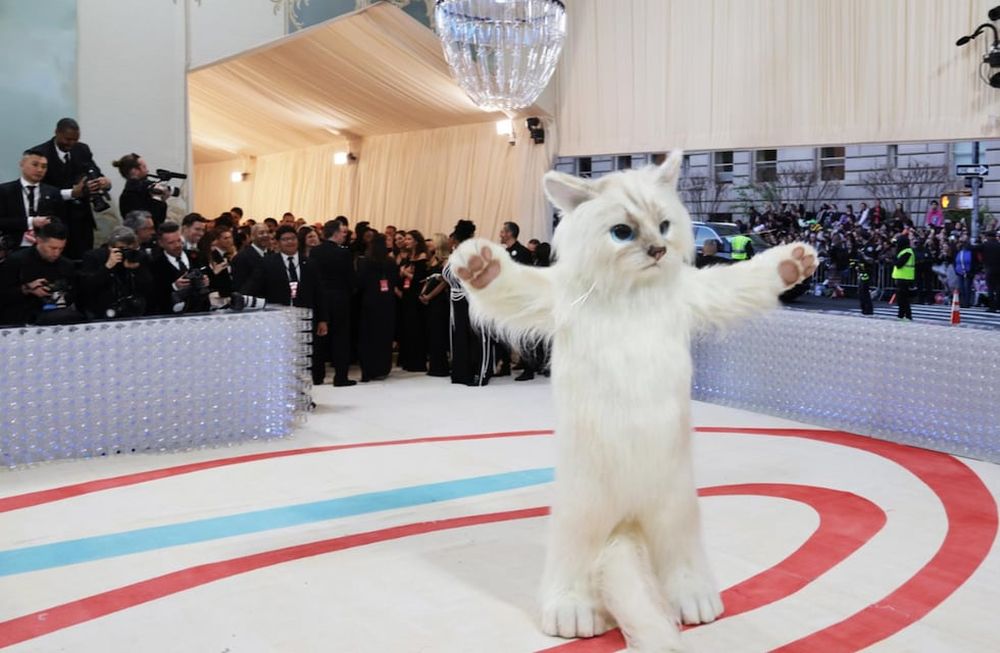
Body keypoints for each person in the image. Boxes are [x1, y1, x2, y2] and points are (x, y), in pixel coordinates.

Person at [244, 225, 329, 381]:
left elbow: (319, 293)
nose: (290, 242)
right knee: (283, 357)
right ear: (277, 243)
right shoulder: (268, 263)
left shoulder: (309, 263)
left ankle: (305, 393)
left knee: (304, 357)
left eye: (293, 238)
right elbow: (253, 288)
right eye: (285, 239)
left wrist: (323, 319)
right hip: (278, 319)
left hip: (304, 318)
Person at [32, 118, 112, 258]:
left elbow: (94, 171)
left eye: (75, 139)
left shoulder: (82, 150)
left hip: (82, 222)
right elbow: (38, 190)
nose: (71, 144)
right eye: (68, 139)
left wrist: (103, 182)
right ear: (57, 133)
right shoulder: (39, 154)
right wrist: (72, 193)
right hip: (54, 221)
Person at [0, 220, 82, 326]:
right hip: (20, 318)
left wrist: (58, 293)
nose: (56, 253)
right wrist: (26, 289)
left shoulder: (66, 265)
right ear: (39, 241)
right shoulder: (16, 261)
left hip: (56, 317)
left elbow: (73, 295)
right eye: (52, 248)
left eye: (61, 248)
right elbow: (3, 294)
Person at [442, 219, 493, 386]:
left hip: (472, 300)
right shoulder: (460, 254)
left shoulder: (468, 254)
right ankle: (464, 372)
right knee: (464, 337)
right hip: (459, 301)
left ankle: (477, 372)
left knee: (474, 337)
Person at [307, 220, 356, 386]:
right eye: (343, 232)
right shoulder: (344, 253)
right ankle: (340, 377)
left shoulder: (315, 252)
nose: (345, 235)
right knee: (340, 338)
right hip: (340, 299)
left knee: (319, 337)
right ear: (335, 233)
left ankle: (317, 376)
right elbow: (350, 279)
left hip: (320, 299)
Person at [78, 226, 154, 319]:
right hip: (102, 311)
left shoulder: (138, 257)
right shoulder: (94, 257)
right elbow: (86, 287)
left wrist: (136, 269)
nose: (126, 252)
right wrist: (108, 267)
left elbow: (149, 289)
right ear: (110, 247)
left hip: (134, 310)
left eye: (129, 249)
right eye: (122, 249)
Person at [0, 150, 65, 251]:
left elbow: (61, 221)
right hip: (12, 246)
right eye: (35, 165)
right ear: (22, 164)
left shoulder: (53, 192)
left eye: (44, 167)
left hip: (43, 249)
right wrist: (31, 222)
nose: (40, 170)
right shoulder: (5, 191)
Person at [356, 233, 398, 381]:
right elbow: (395, 281)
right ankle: (382, 368)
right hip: (386, 302)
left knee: (368, 336)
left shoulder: (364, 262)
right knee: (384, 335)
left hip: (370, 301)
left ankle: (368, 368)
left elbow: (360, 283)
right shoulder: (391, 262)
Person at [149, 222, 209, 315]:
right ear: (161, 243)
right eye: (171, 243)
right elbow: (154, 295)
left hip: (201, 312)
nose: (177, 245)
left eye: (179, 240)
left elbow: (213, 282)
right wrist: (174, 287)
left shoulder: (197, 256)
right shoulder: (155, 265)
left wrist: (206, 282)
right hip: (172, 315)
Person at [396, 230, 429, 372]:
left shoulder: (422, 256)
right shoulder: (408, 256)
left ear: (416, 241)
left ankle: (417, 362)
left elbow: (420, 279)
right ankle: (408, 360)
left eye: (409, 239)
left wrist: (406, 273)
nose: (406, 241)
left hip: (416, 295)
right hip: (407, 294)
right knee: (407, 328)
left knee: (415, 328)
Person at [421, 232, 452, 377]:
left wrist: (430, 295)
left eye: (432, 241)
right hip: (430, 299)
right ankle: (434, 364)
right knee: (431, 332)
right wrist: (423, 293)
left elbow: (445, 282)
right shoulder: (432, 259)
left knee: (438, 332)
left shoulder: (446, 260)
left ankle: (441, 366)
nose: (429, 244)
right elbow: (428, 279)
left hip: (440, 301)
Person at [113, 153, 171, 227]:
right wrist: (157, 199)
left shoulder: (141, 190)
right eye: (144, 167)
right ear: (134, 171)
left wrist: (162, 199)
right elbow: (152, 221)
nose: (147, 170)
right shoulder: (130, 195)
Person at [231, 223, 272, 289]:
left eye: (268, 232)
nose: (265, 235)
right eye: (261, 233)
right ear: (252, 236)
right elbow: (239, 285)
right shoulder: (242, 257)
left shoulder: (273, 255)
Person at [891, 234, 915, 321]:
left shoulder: (907, 252)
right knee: (901, 298)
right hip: (900, 277)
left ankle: (906, 315)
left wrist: (894, 257)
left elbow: (899, 264)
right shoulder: (902, 251)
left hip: (905, 278)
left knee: (903, 298)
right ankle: (902, 314)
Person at [983, 230, 1000, 313]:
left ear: (987, 237)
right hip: (999, 269)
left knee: (990, 288)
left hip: (989, 269)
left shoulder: (986, 245)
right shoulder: (998, 245)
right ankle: (998, 305)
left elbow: (974, 248)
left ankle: (992, 307)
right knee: (998, 288)